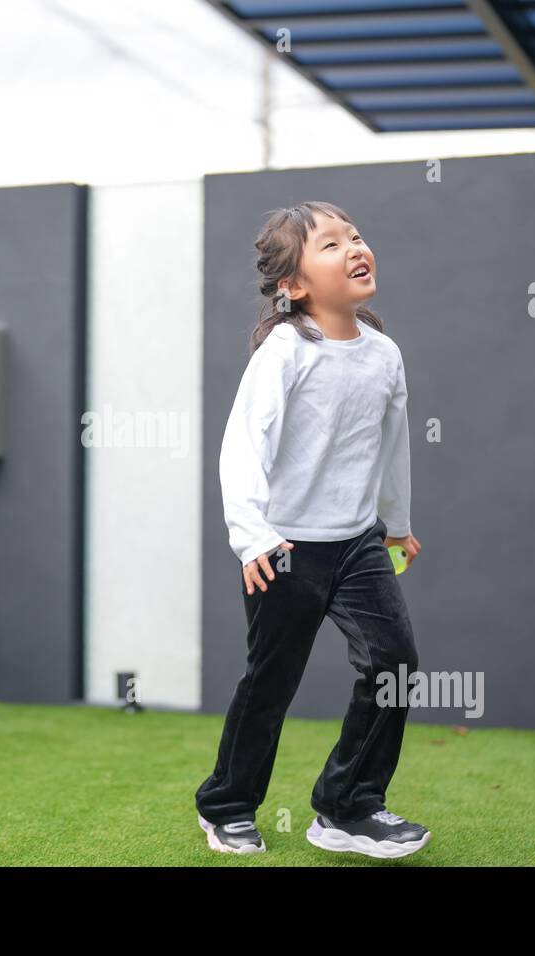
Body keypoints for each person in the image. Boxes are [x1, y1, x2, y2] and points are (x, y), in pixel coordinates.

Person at [194, 201, 431, 859]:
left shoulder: (383, 354)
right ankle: (226, 806)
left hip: (357, 542)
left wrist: (396, 525)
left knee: (395, 664)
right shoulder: (285, 351)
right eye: (331, 244)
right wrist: (253, 536)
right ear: (293, 285)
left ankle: (348, 807)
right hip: (284, 548)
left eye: (356, 235)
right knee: (270, 681)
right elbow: (242, 446)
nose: (355, 247)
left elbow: (392, 445)